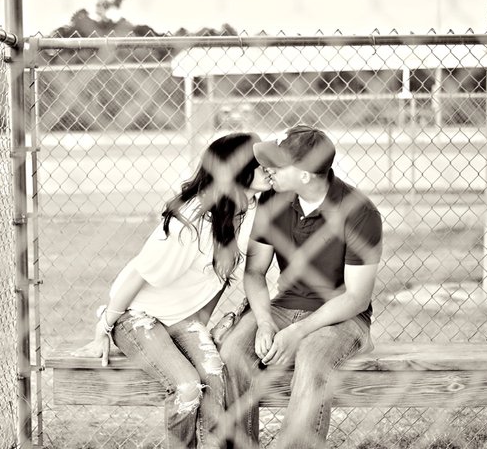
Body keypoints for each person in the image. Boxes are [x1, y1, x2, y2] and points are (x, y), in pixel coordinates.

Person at [71, 132, 272, 449]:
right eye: (259, 163)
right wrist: (104, 327)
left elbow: (216, 279)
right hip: (137, 316)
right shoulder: (191, 219)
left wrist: (200, 328)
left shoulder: (251, 211)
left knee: (214, 375)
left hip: (181, 320)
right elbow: (138, 273)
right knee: (187, 387)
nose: (268, 168)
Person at [219, 125, 383, 449]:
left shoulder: (361, 213)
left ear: (305, 174)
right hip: (283, 307)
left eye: (277, 164)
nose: (266, 168)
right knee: (233, 352)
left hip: (341, 318)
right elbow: (254, 271)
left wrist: (298, 332)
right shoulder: (273, 200)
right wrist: (264, 321)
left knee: (311, 356)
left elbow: (356, 298)